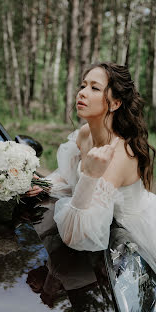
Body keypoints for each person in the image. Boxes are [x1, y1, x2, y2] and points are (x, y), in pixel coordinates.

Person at [26, 62, 156, 273]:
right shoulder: (85, 133)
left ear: (115, 103)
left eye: (94, 88)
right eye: (82, 86)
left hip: (135, 232)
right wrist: (44, 184)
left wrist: (91, 175)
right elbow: (69, 178)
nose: (82, 93)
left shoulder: (120, 155)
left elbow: (73, 235)